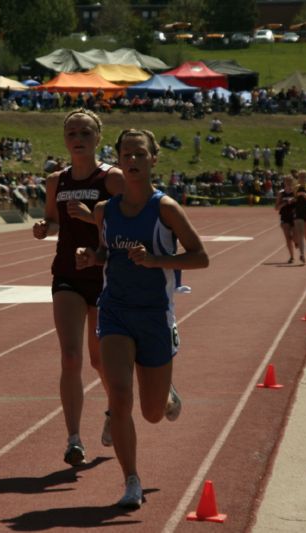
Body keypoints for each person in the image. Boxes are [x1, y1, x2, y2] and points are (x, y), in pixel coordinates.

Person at [75, 128, 209, 509]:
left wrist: (155, 260)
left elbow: (200, 257)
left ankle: (165, 393)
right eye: (126, 155)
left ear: (154, 159)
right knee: (119, 396)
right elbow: (108, 253)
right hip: (115, 310)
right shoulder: (105, 210)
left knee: (151, 413)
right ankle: (131, 480)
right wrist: (92, 257)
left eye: (139, 154)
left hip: (154, 315)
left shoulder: (165, 209)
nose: (132, 161)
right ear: (117, 160)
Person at [32, 108, 124, 467]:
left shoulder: (112, 179)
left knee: (100, 359)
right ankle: (74, 439)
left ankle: (114, 411)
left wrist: (96, 235)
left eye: (85, 133)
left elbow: (126, 226)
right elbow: (55, 222)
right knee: (71, 357)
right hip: (68, 273)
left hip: (104, 276)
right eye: (72, 133)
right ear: (64, 139)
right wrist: (45, 227)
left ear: (98, 138)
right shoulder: (57, 181)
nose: (78, 139)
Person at [275, 175, 297, 264]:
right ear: (284, 182)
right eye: (286, 181)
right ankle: (292, 257)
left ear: (293, 182)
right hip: (284, 217)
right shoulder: (281, 193)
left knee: (295, 237)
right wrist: (283, 204)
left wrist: (294, 200)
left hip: (295, 216)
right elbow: (276, 208)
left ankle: (296, 241)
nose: (288, 183)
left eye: (290, 181)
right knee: (288, 238)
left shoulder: (296, 192)